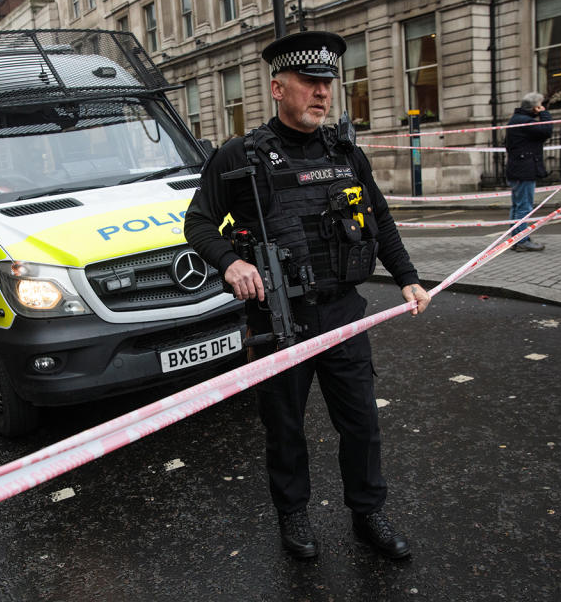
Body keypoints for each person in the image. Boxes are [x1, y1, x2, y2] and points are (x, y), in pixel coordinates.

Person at [184, 31, 430, 561]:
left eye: (328, 83)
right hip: (280, 319)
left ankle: (368, 514)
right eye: (310, 82)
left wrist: (407, 276)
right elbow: (199, 223)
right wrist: (233, 262)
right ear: (278, 88)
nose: (323, 93)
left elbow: (379, 218)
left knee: (361, 422)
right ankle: (293, 515)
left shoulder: (345, 152)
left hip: (342, 310)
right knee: (285, 426)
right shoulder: (239, 157)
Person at [504, 92, 553, 252]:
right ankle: (522, 240)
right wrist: (544, 113)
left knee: (517, 207)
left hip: (518, 169)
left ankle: (516, 239)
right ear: (534, 107)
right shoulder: (524, 121)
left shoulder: (517, 120)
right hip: (524, 170)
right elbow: (546, 131)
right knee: (524, 207)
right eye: (539, 105)